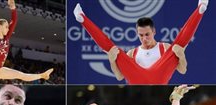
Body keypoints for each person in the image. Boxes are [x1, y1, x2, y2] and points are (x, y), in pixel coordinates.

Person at [74, 0, 209, 84]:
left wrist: (181, 55)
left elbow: (182, 70)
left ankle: (200, 9)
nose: (144, 38)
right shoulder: (133, 52)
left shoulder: (164, 47)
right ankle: (82, 19)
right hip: (137, 80)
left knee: (178, 45)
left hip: (159, 80)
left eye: (147, 35)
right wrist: (112, 61)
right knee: (112, 50)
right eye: (141, 35)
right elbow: (120, 77)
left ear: (154, 32)